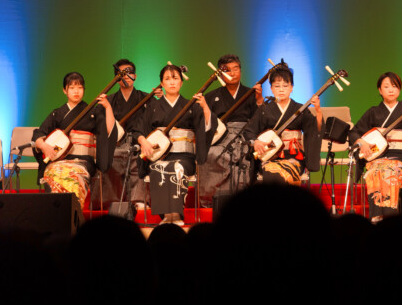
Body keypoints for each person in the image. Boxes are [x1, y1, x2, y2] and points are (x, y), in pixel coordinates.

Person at [136, 64, 213, 225]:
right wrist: (143, 141)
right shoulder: (153, 107)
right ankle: (166, 215)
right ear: (162, 84)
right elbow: (139, 129)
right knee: (159, 167)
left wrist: (205, 107)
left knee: (176, 167)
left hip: (185, 156)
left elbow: (205, 129)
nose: (172, 82)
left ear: (181, 82)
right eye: (167, 79)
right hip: (159, 155)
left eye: (175, 78)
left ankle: (176, 213)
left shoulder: (191, 106)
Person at [349, 71, 402, 223]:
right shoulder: (373, 112)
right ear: (380, 90)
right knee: (375, 171)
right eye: (386, 87)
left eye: (394, 86)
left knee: (390, 170)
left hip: (400, 156)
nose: (391, 90)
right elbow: (354, 132)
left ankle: (392, 219)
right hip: (377, 156)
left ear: (399, 89)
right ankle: (377, 217)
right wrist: (361, 142)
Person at [33, 72, 117, 207]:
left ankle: (73, 211)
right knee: (52, 171)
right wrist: (44, 146)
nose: (76, 91)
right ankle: (57, 211)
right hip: (59, 160)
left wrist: (107, 107)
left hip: (83, 161)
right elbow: (38, 134)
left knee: (73, 174)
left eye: (79, 87)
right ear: (64, 90)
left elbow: (110, 131)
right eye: (72, 88)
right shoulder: (57, 114)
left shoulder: (93, 112)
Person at [91, 59, 156, 209]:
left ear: (135, 76)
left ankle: (139, 201)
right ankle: (110, 203)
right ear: (116, 78)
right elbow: (102, 128)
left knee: (141, 160)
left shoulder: (147, 98)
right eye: (122, 74)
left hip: (138, 144)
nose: (126, 76)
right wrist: (107, 108)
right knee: (109, 160)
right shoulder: (109, 100)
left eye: (130, 72)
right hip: (116, 145)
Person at [200, 54, 263, 206]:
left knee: (244, 155)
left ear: (240, 70)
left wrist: (259, 100)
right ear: (220, 74)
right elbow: (206, 123)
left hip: (245, 135)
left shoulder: (251, 93)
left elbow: (261, 120)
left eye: (235, 69)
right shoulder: (211, 96)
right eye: (227, 70)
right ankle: (212, 200)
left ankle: (241, 200)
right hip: (221, 137)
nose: (232, 73)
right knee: (210, 154)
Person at [243, 67, 322, 185]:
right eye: (277, 86)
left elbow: (314, 130)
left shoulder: (300, 109)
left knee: (284, 173)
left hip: (294, 157)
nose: (281, 89)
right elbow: (249, 130)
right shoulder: (265, 109)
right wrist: (256, 142)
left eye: (285, 86)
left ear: (291, 88)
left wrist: (318, 110)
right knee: (272, 172)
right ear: (271, 88)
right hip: (270, 156)